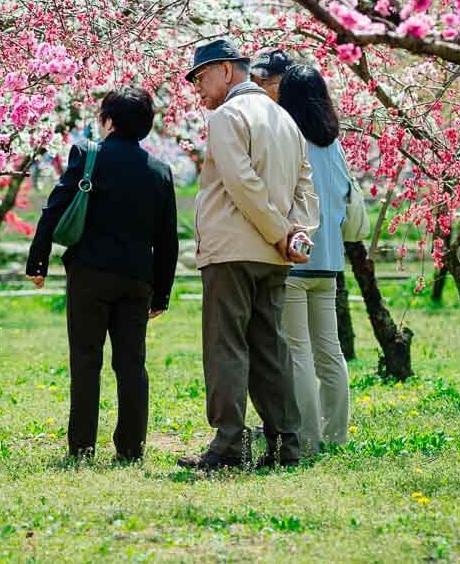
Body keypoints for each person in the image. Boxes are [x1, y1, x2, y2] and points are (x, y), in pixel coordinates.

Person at [176, 38, 319, 471]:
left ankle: (228, 446)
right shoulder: (286, 119)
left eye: (201, 77)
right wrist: (296, 235)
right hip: (275, 256)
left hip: (232, 251)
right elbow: (305, 188)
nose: (198, 88)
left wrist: (279, 233)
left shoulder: (227, 116)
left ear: (225, 70)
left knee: (226, 348)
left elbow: (241, 183)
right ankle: (284, 445)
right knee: (271, 349)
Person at [26, 86, 179, 463]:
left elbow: (54, 207)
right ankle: (131, 448)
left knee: (86, 358)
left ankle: (82, 446)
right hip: (137, 279)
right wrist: (162, 293)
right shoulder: (160, 171)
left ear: (107, 121)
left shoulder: (87, 155)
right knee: (131, 363)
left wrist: (39, 260)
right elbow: (168, 239)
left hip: (90, 274)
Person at [275, 64, 352, 457]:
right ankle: (336, 435)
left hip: (295, 256)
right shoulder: (332, 142)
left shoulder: (289, 138)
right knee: (330, 351)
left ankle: (307, 439)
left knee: (298, 352)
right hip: (330, 261)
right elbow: (344, 194)